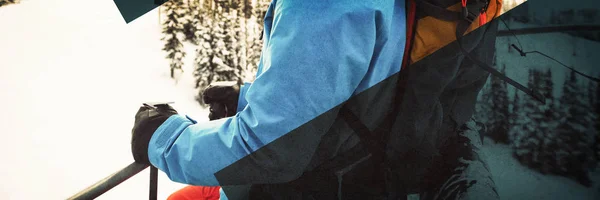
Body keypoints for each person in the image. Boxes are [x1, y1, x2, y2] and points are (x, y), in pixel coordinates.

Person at [130, 0, 504, 199]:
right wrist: (252, 99)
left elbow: (270, 152)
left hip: (311, 186)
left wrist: (164, 139)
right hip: (368, 178)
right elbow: (372, 89)